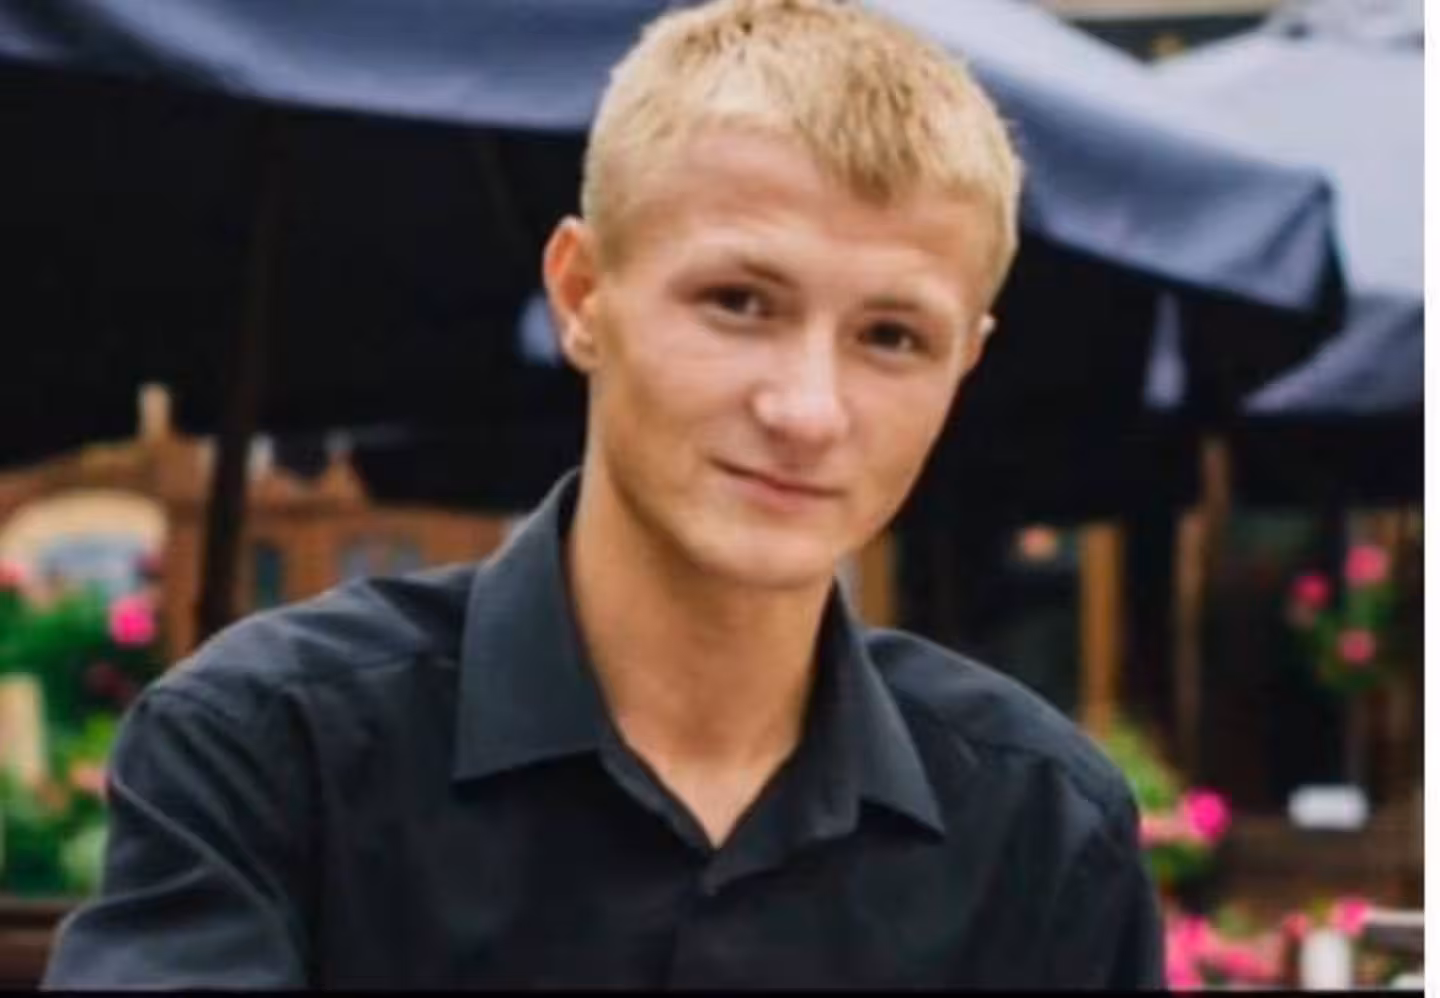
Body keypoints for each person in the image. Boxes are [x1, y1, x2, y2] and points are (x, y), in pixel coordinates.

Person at [44, 0, 1165, 988]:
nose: (808, 409)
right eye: (739, 301)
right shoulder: (269, 751)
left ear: (964, 364)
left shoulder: (1044, 828)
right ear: (582, 294)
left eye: (891, 336)